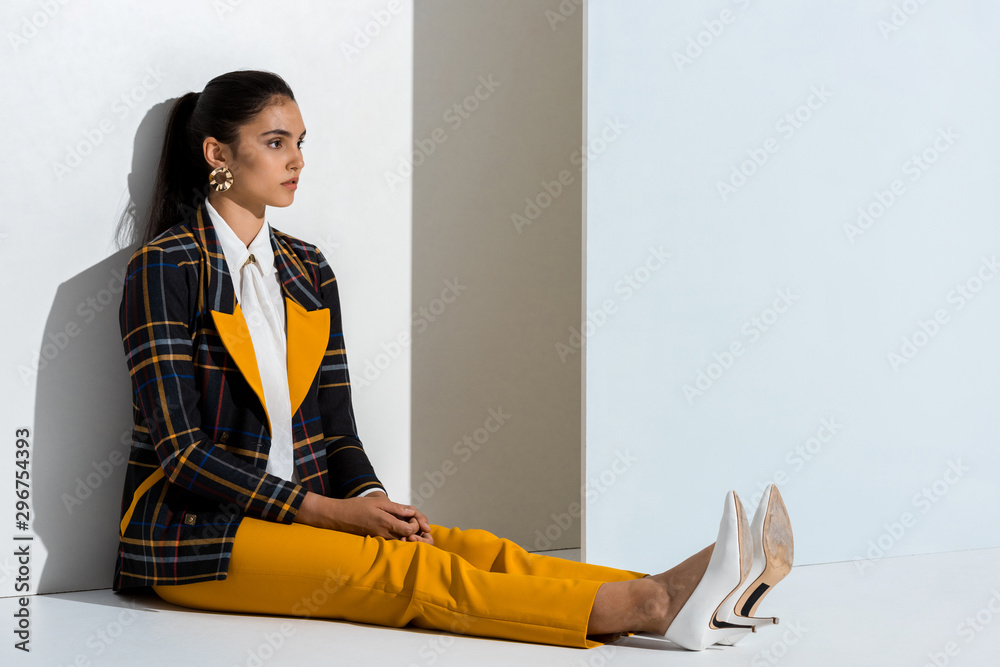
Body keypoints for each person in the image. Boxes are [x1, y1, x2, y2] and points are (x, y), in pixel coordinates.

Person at [112, 69, 792, 651]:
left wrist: (372, 501)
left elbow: (338, 430)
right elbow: (183, 453)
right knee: (411, 578)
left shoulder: (307, 269)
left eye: (300, 142)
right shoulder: (165, 267)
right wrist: (325, 511)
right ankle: (649, 606)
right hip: (192, 537)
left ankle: (671, 594)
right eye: (275, 141)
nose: (297, 159)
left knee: (464, 547)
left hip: (303, 514)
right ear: (216, 153)